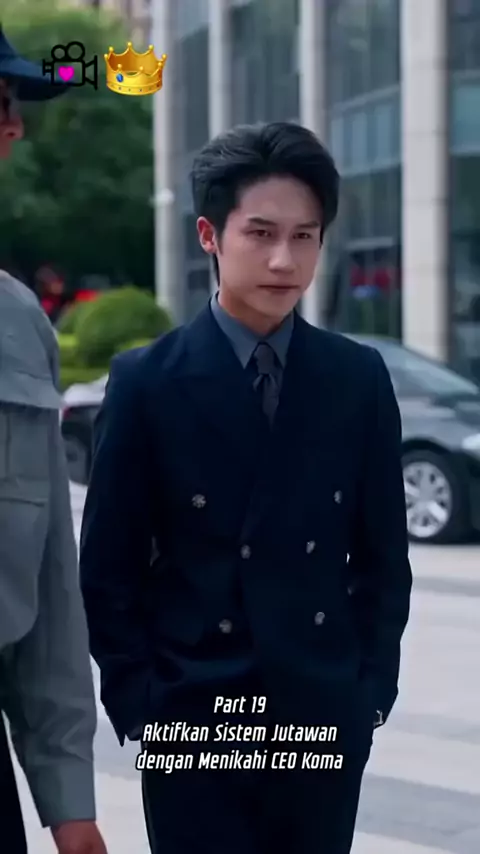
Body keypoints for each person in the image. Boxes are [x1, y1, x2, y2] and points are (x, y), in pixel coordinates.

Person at [80, 121, 412, 854]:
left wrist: (367, 698)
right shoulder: (147, 382)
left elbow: (384, 559)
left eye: (304, 236)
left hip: (319, 712)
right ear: (210, 235)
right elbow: (107, 570)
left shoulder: (355, 378)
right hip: (193, 714)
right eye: (260, 233)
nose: (283, 259)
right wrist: (143, 704)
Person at [0, 26, 107, 854]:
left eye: (9, 106)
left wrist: (70, 803)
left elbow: (48, 591)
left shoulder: (17, 321)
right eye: (1, 104)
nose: (14, 126)